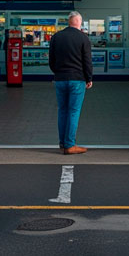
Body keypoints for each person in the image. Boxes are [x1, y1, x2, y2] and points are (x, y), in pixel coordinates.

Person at [48, 11, 93, 155]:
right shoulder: (83, 38)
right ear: (79, 22)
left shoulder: (56, 37)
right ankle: (70, 145)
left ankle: (62, 143)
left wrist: (58, 72)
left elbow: (51, 60)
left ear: (69, 22)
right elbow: (87, 61)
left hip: (60, 79)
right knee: (73, 111)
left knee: (63, 111)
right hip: (77, 79)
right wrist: (89, 78)